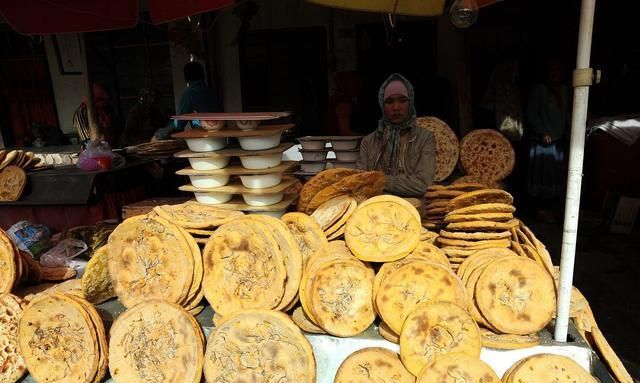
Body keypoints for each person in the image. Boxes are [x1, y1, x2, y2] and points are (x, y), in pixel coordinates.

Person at [356, 73, 436, 197]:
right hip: (376, 209)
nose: (396, 107)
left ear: (411, 103)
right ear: (382, 105)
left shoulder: (424, 138)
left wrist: (379, 180)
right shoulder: (368, 142)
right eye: (389, 101)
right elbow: (360, 183)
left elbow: (424, 184)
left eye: (403, 100)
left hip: (415, 209)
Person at [525, 59, 571, 222]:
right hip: (542, 142)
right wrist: (542, 131)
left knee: (554, 176)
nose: (554, 74)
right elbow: (531, 114)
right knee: (541, 176)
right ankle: (538, 211)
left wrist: (571, 129)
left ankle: (550, 210)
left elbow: (566, 113)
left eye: (558, 71)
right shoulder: (540, 90)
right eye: (551, 71)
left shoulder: (564, 90)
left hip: (557, 141)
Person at [154, 62, 221, 140]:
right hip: (219, 135)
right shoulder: (211, 91)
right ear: (203, 75)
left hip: (203, 137)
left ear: (186, 78)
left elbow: (179, 124)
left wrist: (161, 133)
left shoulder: (190, 93)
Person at [72, 81, 120, 147]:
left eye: (107, 100)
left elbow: (118, 128)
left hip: (114, 146)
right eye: (100, 100)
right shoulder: (82, 112)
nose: (104, 103)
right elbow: (86, 140)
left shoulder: (108, 109)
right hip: (95, 150)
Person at [325, 71, 363, 136]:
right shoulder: (343, 104)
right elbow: (345, 132)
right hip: (342, 143)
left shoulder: (336, 99)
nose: (359, 88)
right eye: (356, 84)